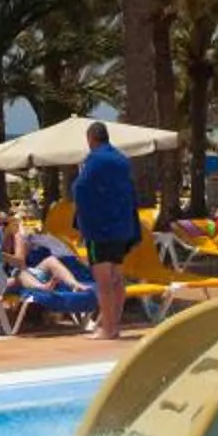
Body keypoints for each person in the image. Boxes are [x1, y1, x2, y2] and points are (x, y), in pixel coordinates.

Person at [68, 120, 142, 341]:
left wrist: (82, 220)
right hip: (121, 226)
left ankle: (107, 329)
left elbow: (80, 188)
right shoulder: (122, 160)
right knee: (117, 276)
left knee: (104, 280)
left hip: (99, 228)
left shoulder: (94, 159)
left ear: (91, 139)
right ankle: (113, 325)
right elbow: (129, 192)